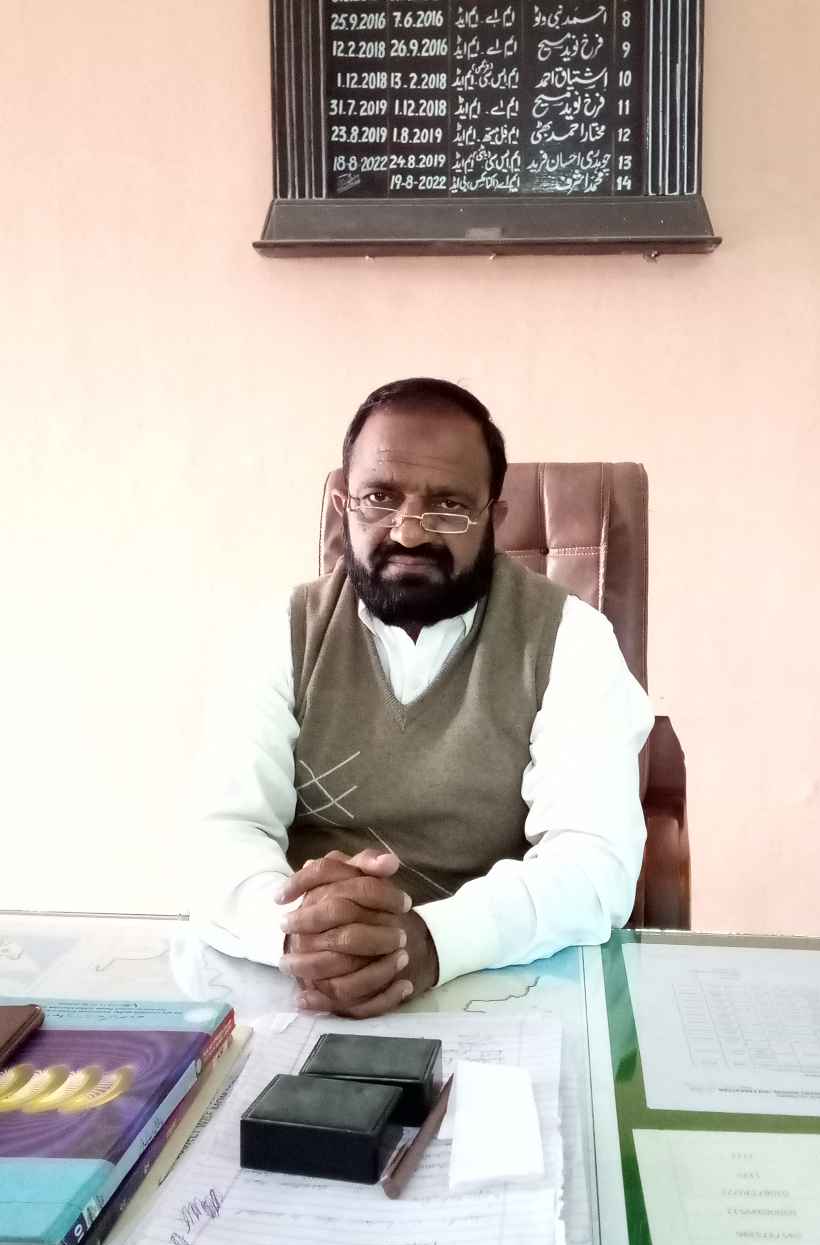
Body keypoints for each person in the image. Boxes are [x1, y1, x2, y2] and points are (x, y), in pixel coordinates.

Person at [192, 377, 654, 1018]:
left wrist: (434, 941)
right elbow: (221, 834)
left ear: (494, 518)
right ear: (343, 504)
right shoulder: (280, 633)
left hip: (495, 989)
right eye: (379, 498)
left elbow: (593, 861)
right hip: (298, 990)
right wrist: (302, 934)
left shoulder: (571, 639)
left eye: (448, 506)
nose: (408, 533)